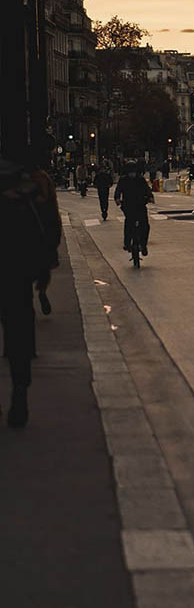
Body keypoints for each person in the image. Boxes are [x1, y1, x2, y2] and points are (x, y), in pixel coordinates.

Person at [0, 149, 61, 426]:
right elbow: (50, 224)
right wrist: (46, 260)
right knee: (19, 329)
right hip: (18, 267)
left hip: (16, 266)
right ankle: (20, 392)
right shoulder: (31, 182)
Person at [114, 162, 154, 256]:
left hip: (140, 204)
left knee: (145, 226)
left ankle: (143, 245)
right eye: (130, 171)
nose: (132, 173)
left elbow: (147, 189)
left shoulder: (140, 179)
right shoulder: (123, 180)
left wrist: (150, 197)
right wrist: (117, 199)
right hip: (128, 205)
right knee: (128, 224)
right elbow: (118, 190)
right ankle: (127, 243)